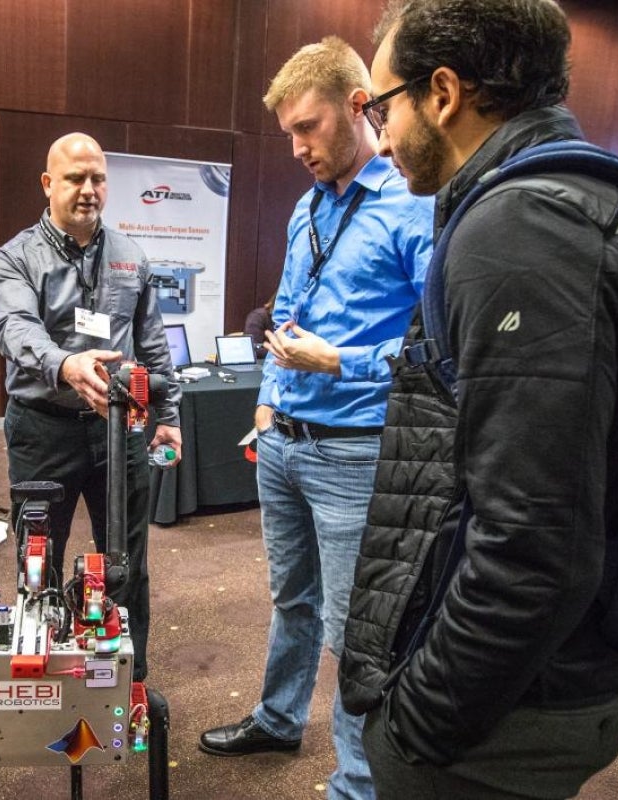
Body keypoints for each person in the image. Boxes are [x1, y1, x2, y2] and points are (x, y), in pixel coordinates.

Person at [338, 2, 618, 797]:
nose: (378, 136)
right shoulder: (569, 202)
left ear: (443, 92)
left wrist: (418, 728)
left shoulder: (525, 228)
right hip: (541, 685)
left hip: (504, 719)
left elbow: (533, 548)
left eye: (379, 106)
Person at [197, 36, 433, 800]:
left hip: (356, 454)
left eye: (309, 128)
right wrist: (268, 398)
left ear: (360, 107)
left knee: (352, 630)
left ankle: (358, 785)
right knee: (291, 601)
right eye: (289, 133)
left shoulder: (413, 207)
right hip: (285, 443)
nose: (297, 148)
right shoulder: (307, 207)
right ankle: (277, 717)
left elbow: (442, 345)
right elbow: (288, 312)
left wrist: (342, 364)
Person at [0, 132, 182, 683]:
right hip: (43, 430)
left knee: (127, 557)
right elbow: (13, 328)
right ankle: (42, 668)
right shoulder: (14, 259)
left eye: (97, 178)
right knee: (38, 559)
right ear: (48, 184)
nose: (88, 190)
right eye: (75, 178)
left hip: (119, 430)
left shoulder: (130, 256)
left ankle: (128, 669)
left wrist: (167, 416)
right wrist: (65, 365)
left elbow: (153, 343)